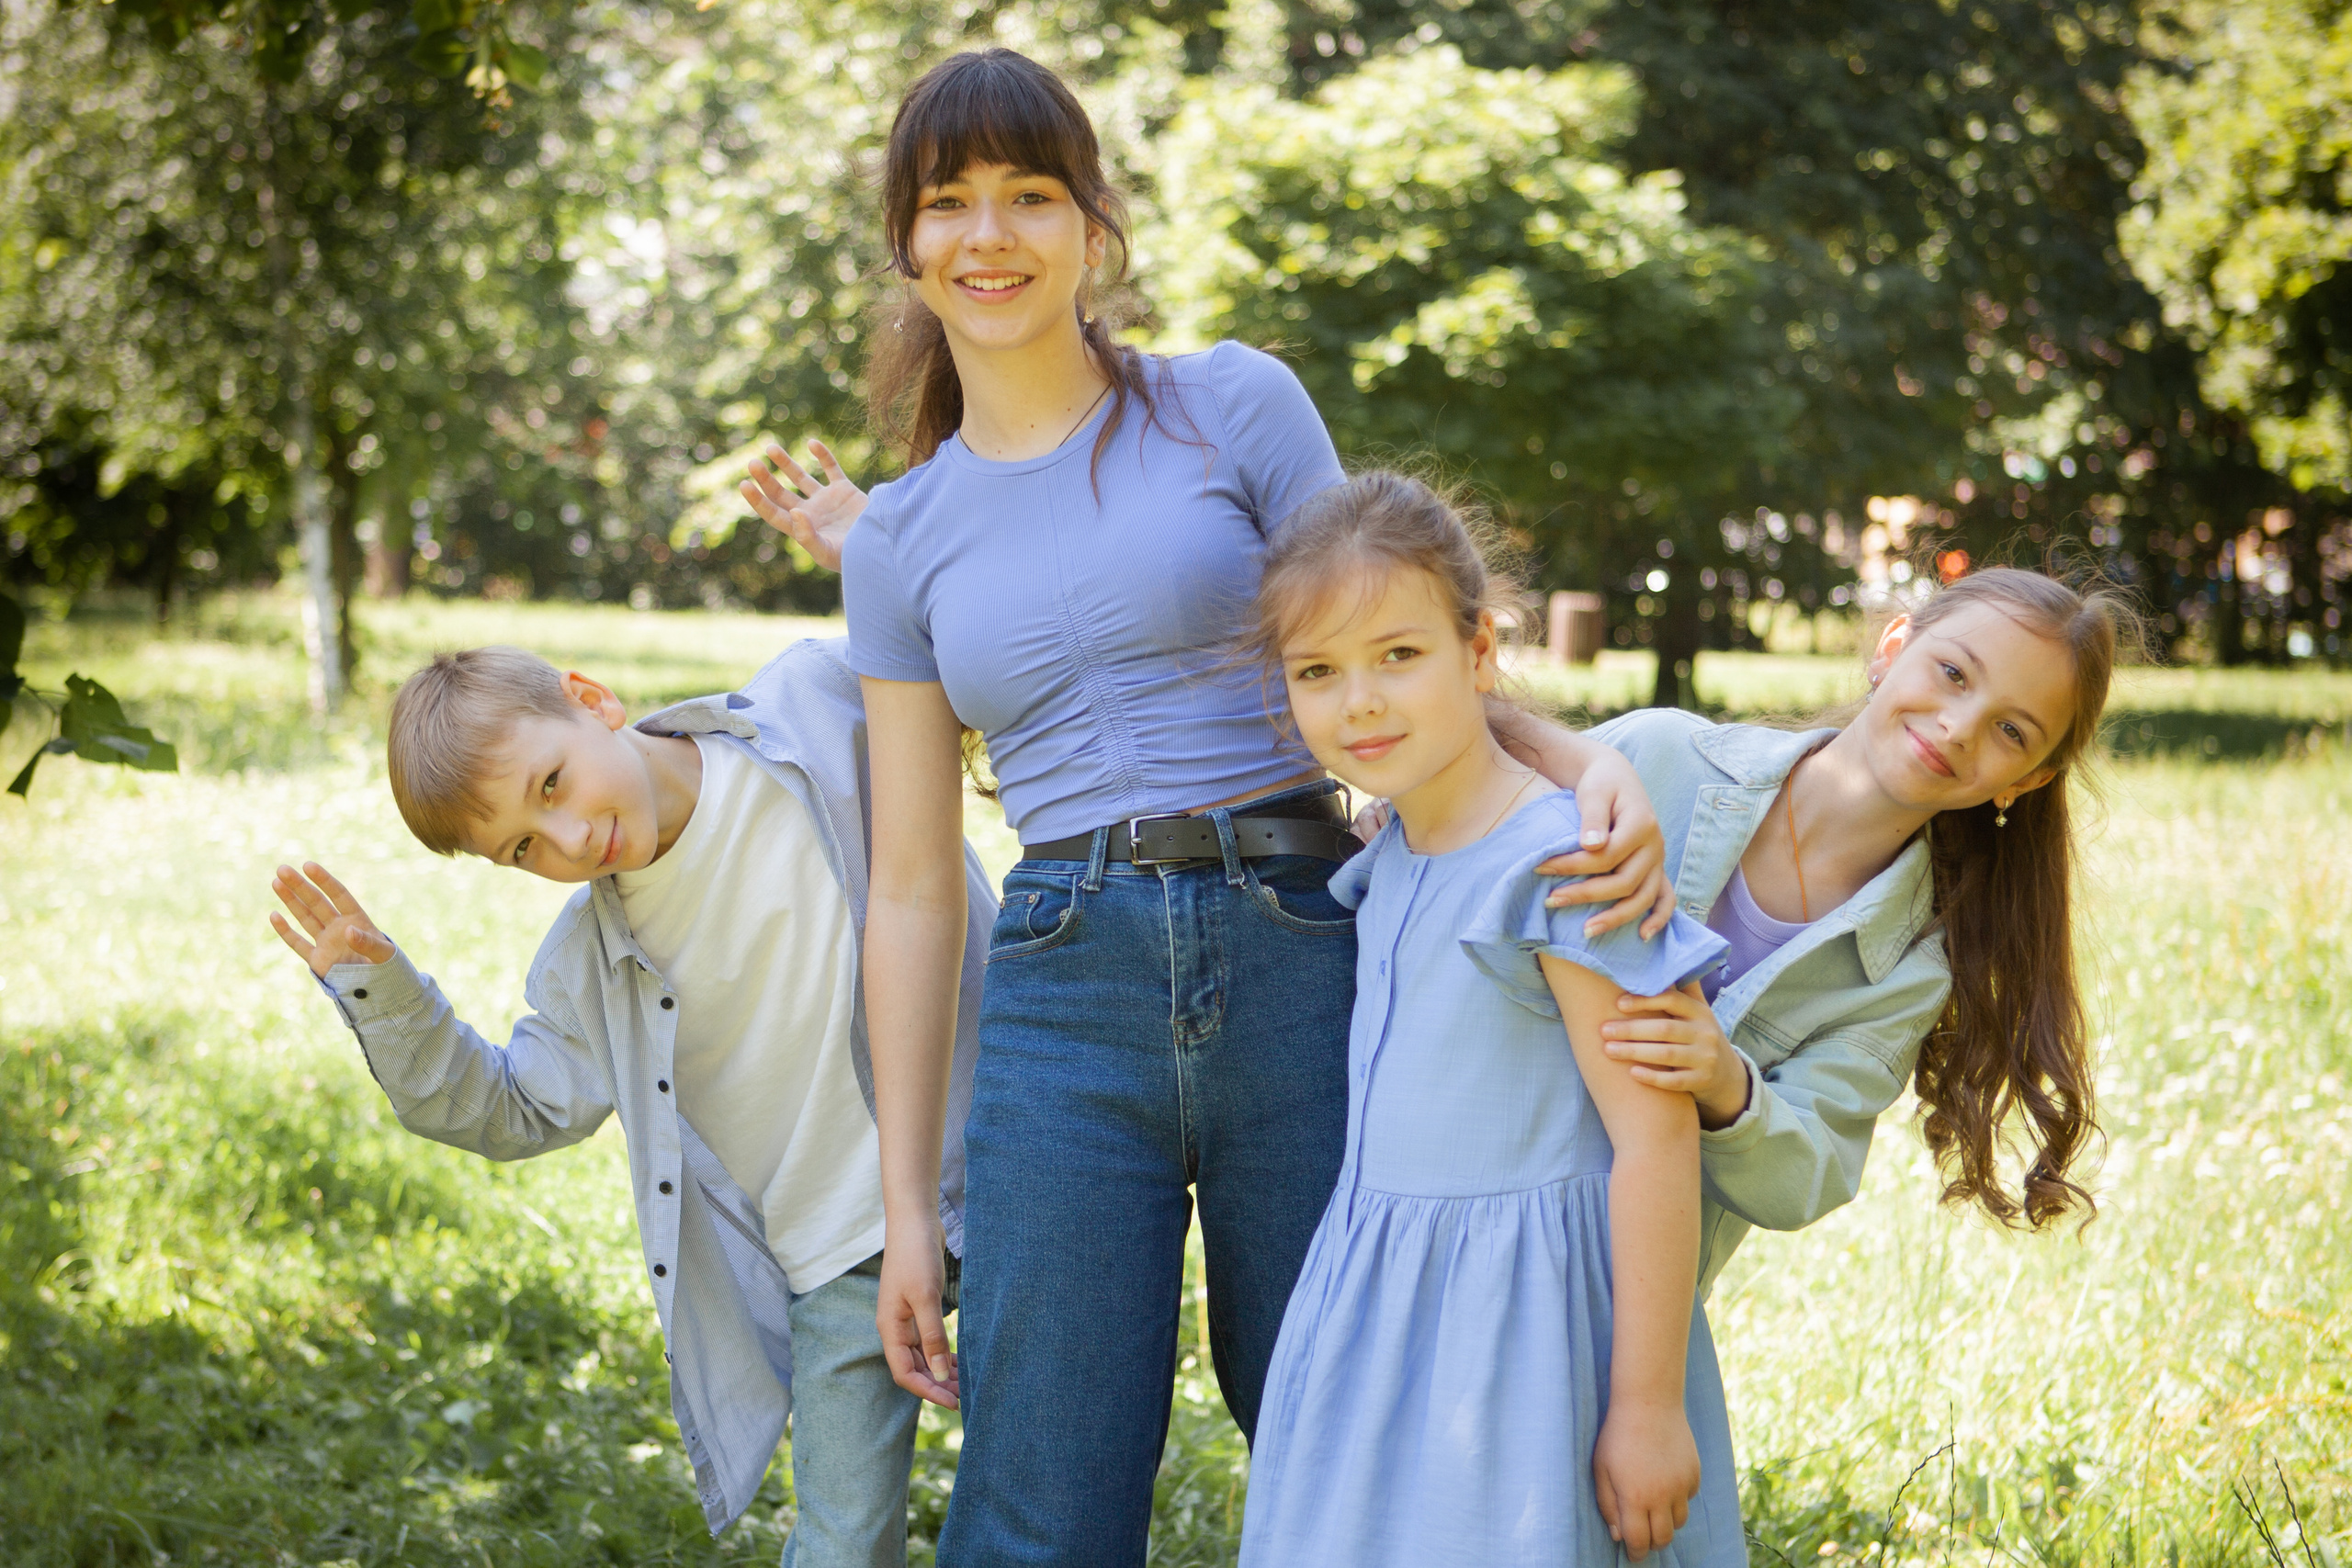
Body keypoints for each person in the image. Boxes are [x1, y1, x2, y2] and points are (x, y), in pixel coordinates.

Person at [797, 47, 1679, 1567]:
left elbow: (1392, 646)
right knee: (1038, 1497)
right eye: (949, 204)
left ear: (1093, 223)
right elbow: (911, 886)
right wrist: (908, 1208)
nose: (988, 236)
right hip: (1066, 989)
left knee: (1359, 1420)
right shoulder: (901, 540)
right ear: (907, 241)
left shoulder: (1231, 404)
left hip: (1300, 942)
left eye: (1028, 194)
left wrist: (1586, 765)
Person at [264, 637, 994, 1568]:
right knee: (842, 1545)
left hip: (1003, 1161)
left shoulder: (806, 708)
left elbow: (963, 661)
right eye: (522, 847)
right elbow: (509, 1107)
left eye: (553, 782)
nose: (565, 840)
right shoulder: (590, 965)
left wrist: (868, 547)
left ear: (591, 698)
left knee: (1038, 1492)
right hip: (840, 1258)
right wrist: (386, 995)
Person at [1235, 471, 1742, 1568]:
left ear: (1479, 654)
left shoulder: (1567, 870)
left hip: (1530, 1338)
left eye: (1398, 656)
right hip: (1384, 1312)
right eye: (1318, 672)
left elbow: (1656, 1141)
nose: (1359, 701)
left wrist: (1646, 1408)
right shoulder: (1390, 855)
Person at [1583, 565, 2127, 1293]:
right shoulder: (1658, 756)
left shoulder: (1908, 970)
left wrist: (1724, 1083)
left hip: (1619, 1304)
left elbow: (1806, 1174)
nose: (1958, 727)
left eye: (2009, 729)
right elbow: (1479, 834)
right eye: (1953, 672)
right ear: (1892, 645)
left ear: (2023, 780)